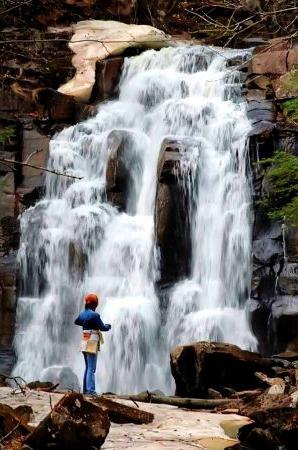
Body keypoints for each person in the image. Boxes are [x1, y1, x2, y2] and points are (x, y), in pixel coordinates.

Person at [74, 293, 111, 396]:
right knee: (91, 368)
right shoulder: (95, 315)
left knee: (87, 367)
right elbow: (103, 328)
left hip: (84, 340)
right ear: (95, 304)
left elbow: (76, 322)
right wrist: (109, 326)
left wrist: (86, 323)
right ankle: (91, 391)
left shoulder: (82, 314)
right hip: (92, 342)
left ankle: (85, 390)